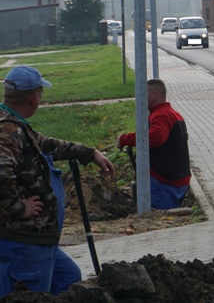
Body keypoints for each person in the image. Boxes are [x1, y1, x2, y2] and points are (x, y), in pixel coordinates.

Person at [0, 65, 115, 296]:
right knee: (33, 296)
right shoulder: (8, 132)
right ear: (35, 97)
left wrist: (89, 153)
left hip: (37, 239)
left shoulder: (15, 124)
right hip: (24, 240)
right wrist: (18, 207)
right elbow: (1, 170)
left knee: (68, 277)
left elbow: (47, 144)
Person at [118, 78, 191, 210]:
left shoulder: (161, 115)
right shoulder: (172, 113)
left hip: (164, 182)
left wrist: (126, 139)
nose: (140, 98)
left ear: (155, 95)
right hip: (175, 179)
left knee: (160, 217)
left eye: (144, 94)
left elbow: (155, 137)